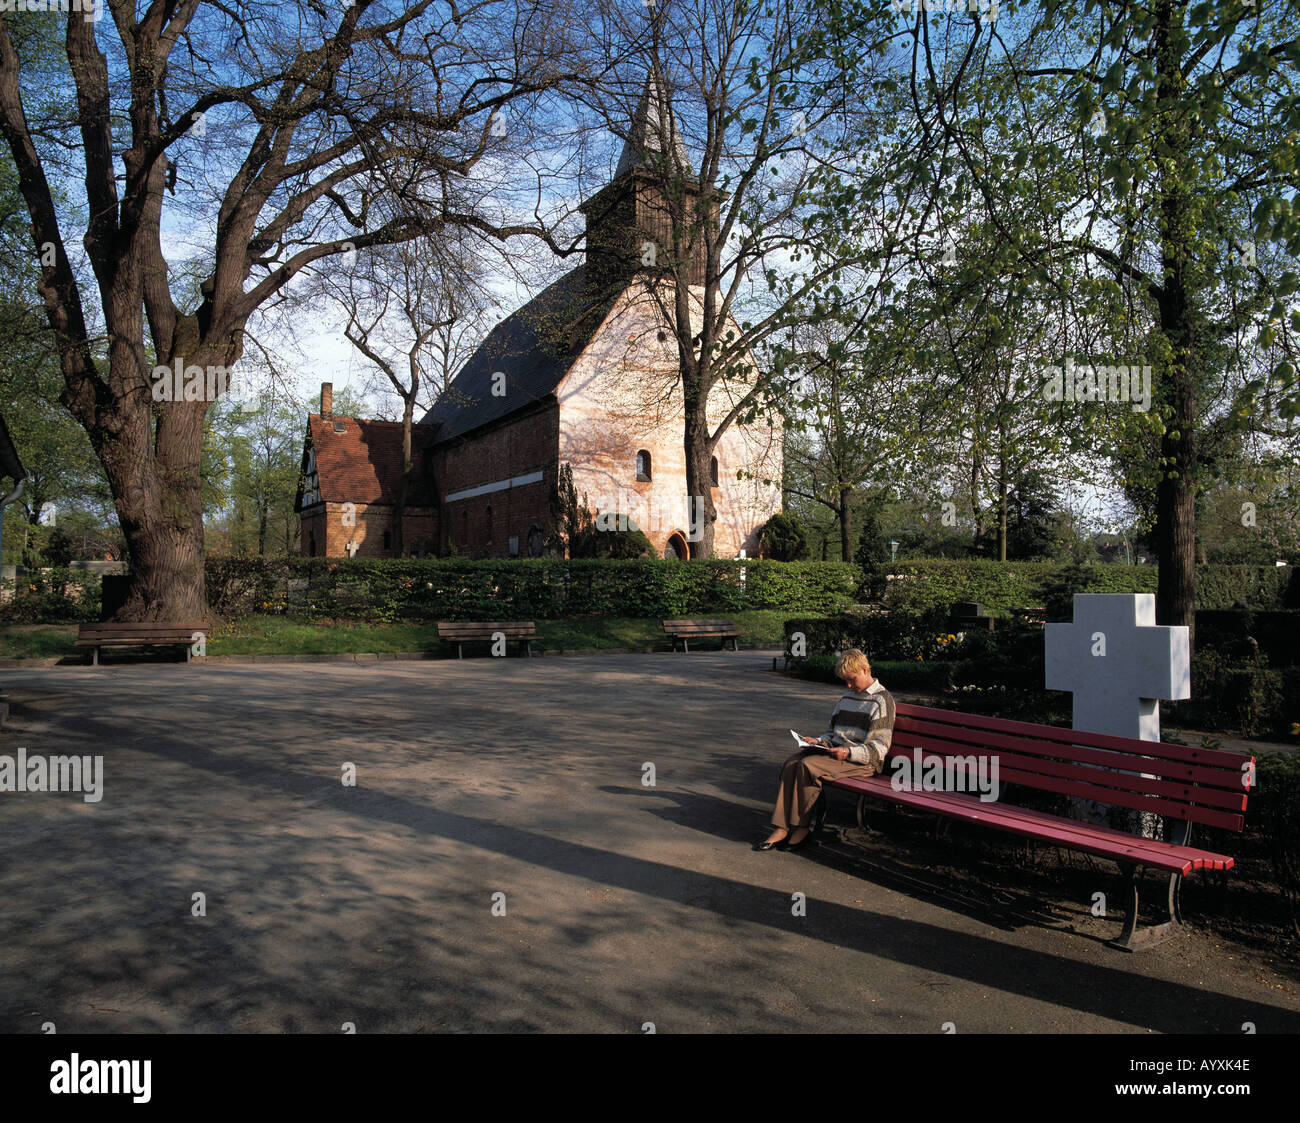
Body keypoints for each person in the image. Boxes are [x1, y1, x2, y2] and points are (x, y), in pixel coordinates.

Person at [754, 648, 895, 852]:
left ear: (865, 670)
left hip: (863, 761)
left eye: (852, 679)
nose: (848, 685)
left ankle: (801, 828)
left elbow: (879, 748)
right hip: (835, 754)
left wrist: (848, 753)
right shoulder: (847, 698)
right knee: (791, 764)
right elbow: (832, 733)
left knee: (807, 766)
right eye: (845, 681)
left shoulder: (882, 701)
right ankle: (782, 828)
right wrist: (818, 741)